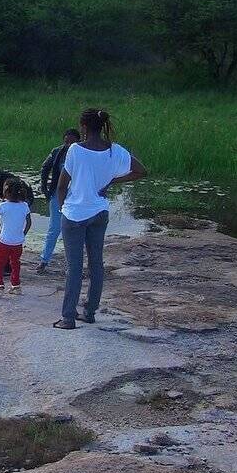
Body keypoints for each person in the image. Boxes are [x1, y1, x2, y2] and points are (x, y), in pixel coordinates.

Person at [53, 109, 146, 329]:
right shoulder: (115, 151)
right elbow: (141, 171)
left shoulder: (75, 150)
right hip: (99, 213)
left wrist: (62, 209)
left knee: (74, 267)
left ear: (83, 127)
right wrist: (111, 182)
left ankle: (68, 318)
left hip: (74, 214)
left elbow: (61, 185)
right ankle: (90, 312)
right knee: (96, 264)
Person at [37, 129, 81, 273]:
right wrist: (44, 186)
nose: (69, 144)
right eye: (66, 141)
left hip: (76, 195)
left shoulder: (82, 153)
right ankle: (44, 260)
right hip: (57, 193)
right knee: (54, 228)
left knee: (75, 229)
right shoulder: (57, 152)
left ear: (78, 142)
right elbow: (45, 167)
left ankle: (74, 264)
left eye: (72, 141)